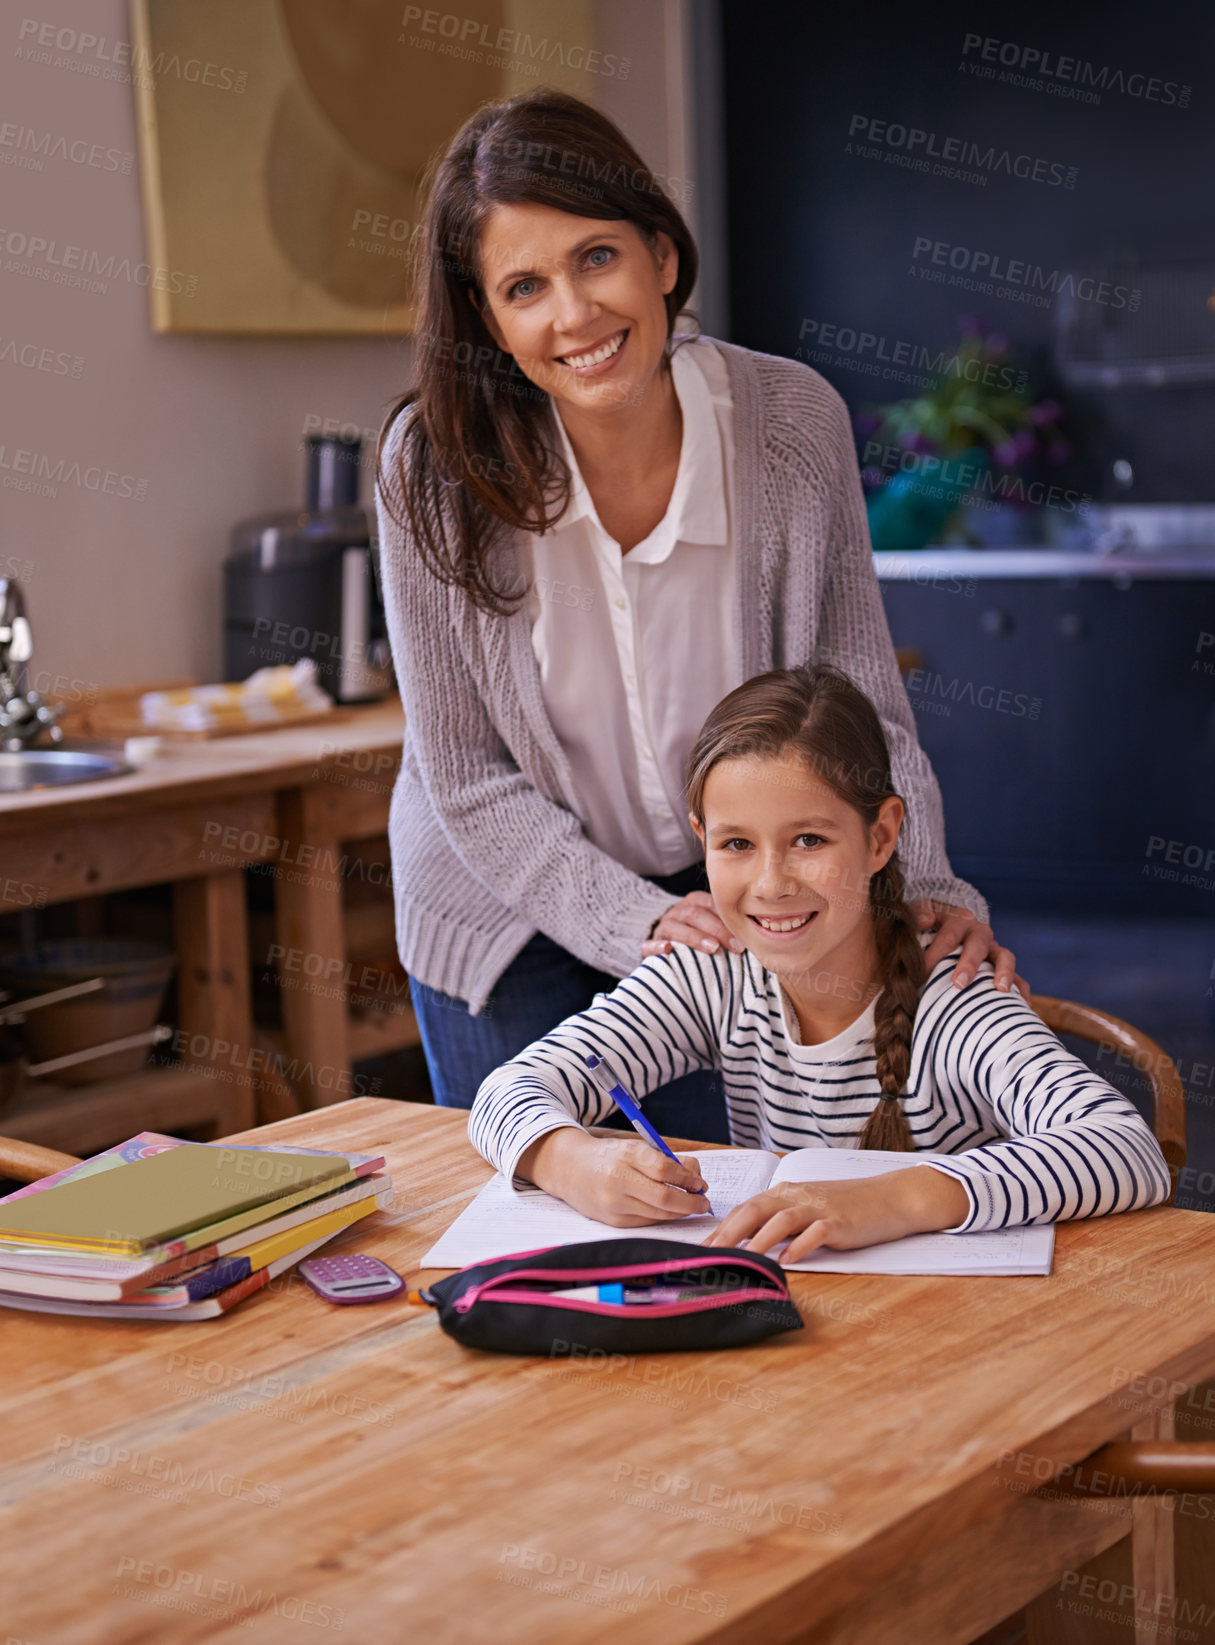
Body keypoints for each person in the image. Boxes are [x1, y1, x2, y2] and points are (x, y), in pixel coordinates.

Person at [374, 87, 1021, 1141]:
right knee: (540, 1233)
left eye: (596, 258)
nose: (575, 316)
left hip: (725, 884)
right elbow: (466, 776)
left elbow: (860, 709)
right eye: (525, 286)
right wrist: (636, 922)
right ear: (489, 318)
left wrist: (931, 888)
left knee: (713, 1215)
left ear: (661, 257)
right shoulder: (431, 469)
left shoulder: (790, 424)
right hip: (505, 908)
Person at [468, 666, 1170, 1258]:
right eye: (736, 844)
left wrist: (894, 1196)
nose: (770, 882)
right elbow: (506, 1091)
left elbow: (1122, 1150)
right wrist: (571, 1160)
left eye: (807, 838)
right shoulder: (709, 971)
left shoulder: (952, 993)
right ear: (700, 840)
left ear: (880, 836)